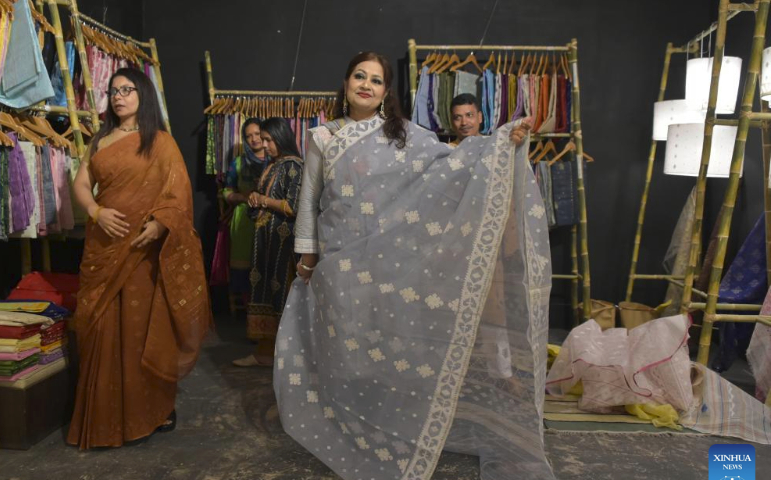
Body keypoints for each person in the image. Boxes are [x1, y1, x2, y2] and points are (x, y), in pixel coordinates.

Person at [274, 51, 553, 480]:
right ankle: (347, 426)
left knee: (378, 348)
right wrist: (307, 255)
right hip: (337, 261)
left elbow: (451, 162)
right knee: (342, 351)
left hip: (384, 263)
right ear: (345, 83)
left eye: (377, 80)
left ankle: (390, 427)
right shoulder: (322, 138)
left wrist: (500, 142)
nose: (367, 85)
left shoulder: (404, 134)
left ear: (387, 91)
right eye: (359, 76)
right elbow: (309, 202)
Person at [68, 68, 211, 449]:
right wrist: (96, 212)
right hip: (103, 247)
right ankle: (102, 415)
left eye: (127, 89)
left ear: (142, 95)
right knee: (98, 326)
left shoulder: (159, 141)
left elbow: (178, 193)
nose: (119, 96)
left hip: (141, 252)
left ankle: (153, 408)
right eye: (114, 91)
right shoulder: (100, 139)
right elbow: (81, 184)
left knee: (140, 328)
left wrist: (161, 226)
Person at [233, 118, 303, 367]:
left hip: (283, 242)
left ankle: (287, 357)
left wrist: (263, 200)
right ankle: (264, 354)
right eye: (263, 139)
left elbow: (293, 206)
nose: (264, 144)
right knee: (264, 291)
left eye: (268, 140)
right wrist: (254, 199)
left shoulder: (294, 165)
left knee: (280, 293)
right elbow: (264, 199)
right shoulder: (272, 165)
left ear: (281, 138)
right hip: (266, 241)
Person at [221, 118, 266, 313]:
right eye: (249, 136)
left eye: (257, 134)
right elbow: (226, 191)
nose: (254, 139)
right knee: (245, 268)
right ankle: (250, 314)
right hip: (244, 220)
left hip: (268, 217)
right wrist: (242, 196)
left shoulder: (275, 160)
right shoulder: (238, 163)